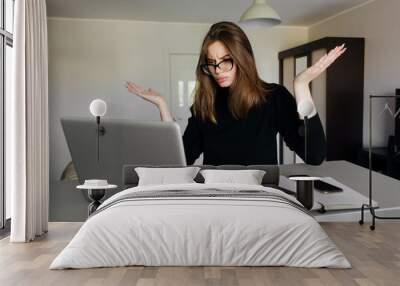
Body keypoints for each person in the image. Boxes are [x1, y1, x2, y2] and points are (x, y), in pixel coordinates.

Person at [126, 21, 346, 166]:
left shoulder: (273, 97)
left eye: (225, 61)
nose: (217, 70)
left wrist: (301, 86)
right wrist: (163, 106)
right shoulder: (205, 103)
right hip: (216, 198)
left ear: (243, 59)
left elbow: (314, 156)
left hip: (261, 198)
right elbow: (181, 161)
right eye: (211, 64)